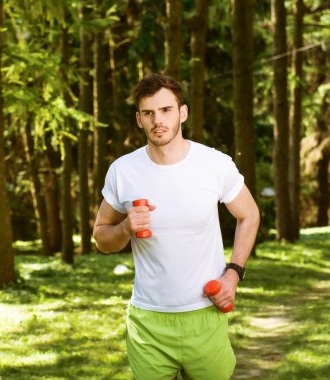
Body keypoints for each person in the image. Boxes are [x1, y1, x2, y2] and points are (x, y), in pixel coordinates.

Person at [93, 73, 260, 379]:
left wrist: (233, 275)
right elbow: (101, 238)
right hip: (148, 322)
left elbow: (249, 215)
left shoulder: (215, 164)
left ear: (182, 112)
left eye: (166, 110)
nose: (158, 120)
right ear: (139, 119)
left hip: (205, 315)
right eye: (149, 113)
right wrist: (126, 228)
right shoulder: (123, 171)